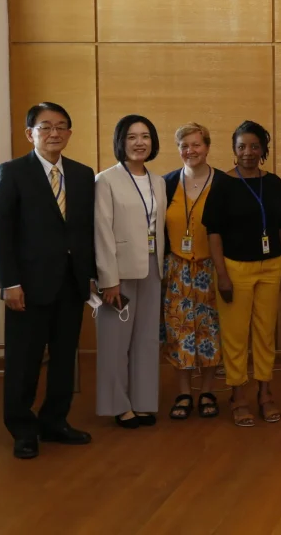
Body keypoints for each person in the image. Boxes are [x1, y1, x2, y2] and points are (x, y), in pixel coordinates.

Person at [0, 102, 95, 459]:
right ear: (29, 133)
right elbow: (1, 233)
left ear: (69, 132)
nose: (54, 133)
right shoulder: (12, 172)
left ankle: (55, 422)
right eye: (46, 126)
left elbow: (84, 231)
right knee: (24, 360)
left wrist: (90, 275)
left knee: (65, 358)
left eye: (62, 126)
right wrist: (9, 282)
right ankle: (22, 428)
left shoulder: (82, 174)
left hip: (71, 282)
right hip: (28, 286)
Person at [202, 121, 281, 427]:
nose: (248, 152)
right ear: (234, 150)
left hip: (271, 267)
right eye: (241, 146)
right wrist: (222, 275)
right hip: (235, 269)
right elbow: (213, 232)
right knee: (235, 336)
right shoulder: (223, 184)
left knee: (265, 333)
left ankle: (265, 393)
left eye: (254, 146)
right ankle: (238, 395)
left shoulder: (275, 184)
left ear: (263, 150)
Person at [94, 115, 167, 428]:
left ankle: (143, 402)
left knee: (147, 338)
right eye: (132, 137)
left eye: (146, 136)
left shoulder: (159, 181)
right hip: (119, 272)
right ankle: (118, 405)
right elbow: (101, 232)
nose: (140, 142)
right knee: (114, 340)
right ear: (121, 142)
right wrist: (108, 280)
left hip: (152, 265)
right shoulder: (105, 180)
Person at [161, 123, 221, 420]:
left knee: (211, 330)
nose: (190, 151)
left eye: (196, 144)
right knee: (179, 330)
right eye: (184, 145)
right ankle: (184, 392)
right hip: (176, 267)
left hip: (212, 266)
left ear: (207, 147)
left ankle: (208, 390)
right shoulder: (166, 183)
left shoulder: (223, 183)